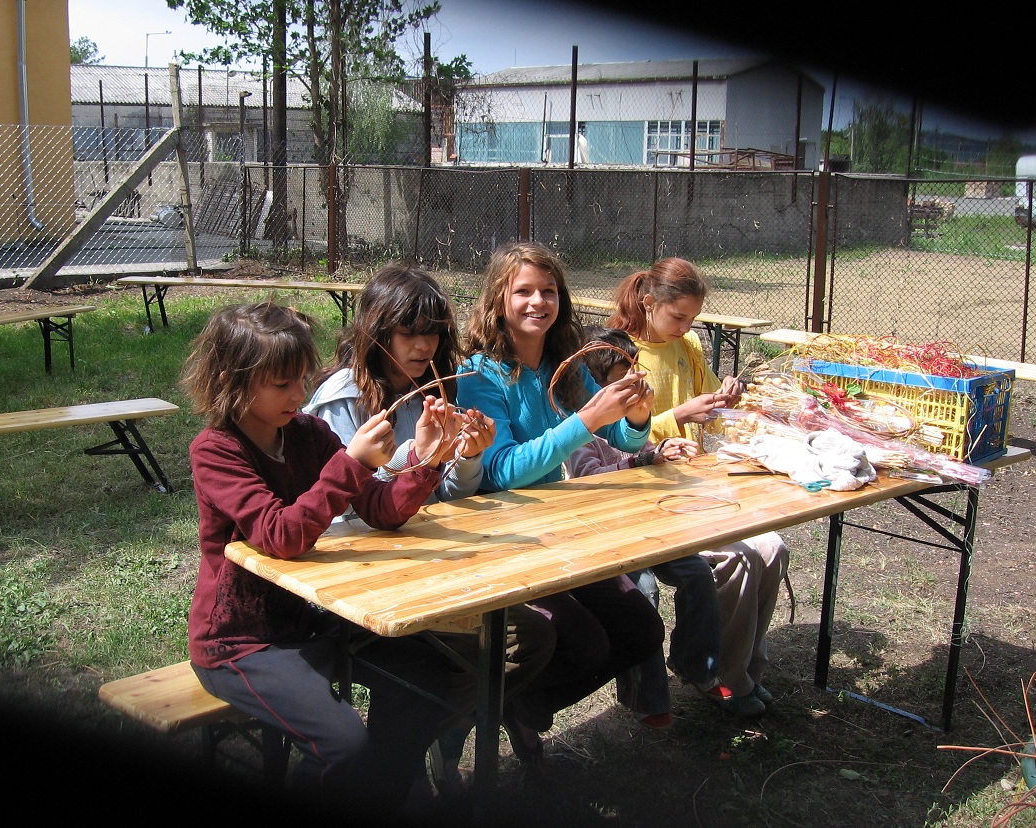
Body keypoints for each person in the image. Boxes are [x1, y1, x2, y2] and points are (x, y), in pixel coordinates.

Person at [180, 300, 475, 823]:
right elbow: (280, 535)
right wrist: (352, 462)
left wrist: (426, 458)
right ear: (232, 381)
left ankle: (382, 794)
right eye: (282, 384)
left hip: (312, 621)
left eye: (301, 379)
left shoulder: (308, 435)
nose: (299, 395)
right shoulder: (216, 450)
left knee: (433, 677)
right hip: (240, 643)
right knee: (344, 746)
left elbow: (379, 510)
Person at [304, 263, 557, 795]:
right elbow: (351, 512)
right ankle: (399, 763)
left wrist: (468, 457)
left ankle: (423, 740)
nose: (423, 345)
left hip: (426, 563)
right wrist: (416, 456)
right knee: (451, 661)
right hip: (356, 579)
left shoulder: (432, 391)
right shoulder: (343, 400)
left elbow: (449, 496)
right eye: (409, 332)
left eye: (434, 332)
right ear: (377, 332)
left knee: (528, 637)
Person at [455, 240, 665, 761]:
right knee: (586, 644)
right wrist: (586, 420)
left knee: (641, 627)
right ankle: (499, 708)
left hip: (556, 532)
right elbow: (501, 471)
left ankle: (523, 706)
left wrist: (637, 416)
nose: (538, 302)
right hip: (501, 540)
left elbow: (621, 437)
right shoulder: (481, 374)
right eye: (523, 291)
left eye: (548, 291)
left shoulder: (564, 364)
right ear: (498, 299)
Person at [608, 256, 790, 715]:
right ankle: (716, 673)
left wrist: (723, 399)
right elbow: (611, 437)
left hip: (694, 484)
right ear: (648, 303)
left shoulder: (685, 345)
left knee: (772, 549)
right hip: (645, 496)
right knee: (738, 559)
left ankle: (742, 668)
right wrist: (679, 416)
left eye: (692, 318)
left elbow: (707, 403)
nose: (686, 327)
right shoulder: (619, 354)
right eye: (678, 316)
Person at [565, 326, 724, 727]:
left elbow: (643, 451)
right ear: (596, 383)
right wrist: (639, 461)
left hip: (643, 524)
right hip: (602, 532)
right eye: (624, 376)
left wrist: (663, 450)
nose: (635, 381)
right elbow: (588, 477)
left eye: (636, 371)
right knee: (643, 589)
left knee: (697, 572)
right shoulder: (580, 425)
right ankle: (647, 698)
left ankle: (697, 665)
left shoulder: (633, 416)